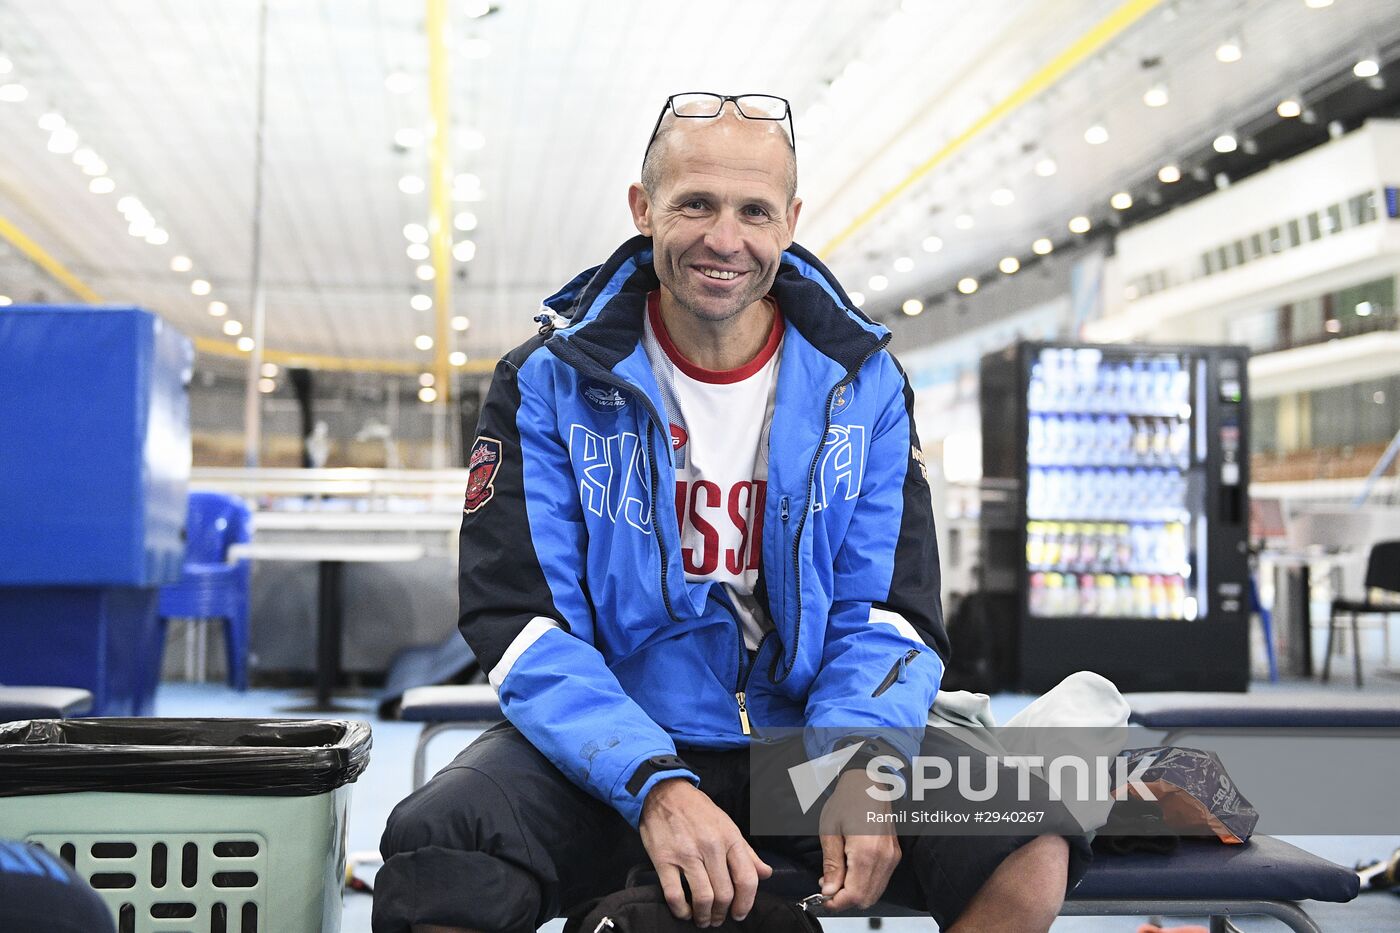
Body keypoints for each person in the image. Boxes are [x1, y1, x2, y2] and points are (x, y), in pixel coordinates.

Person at [375, 93, 1089, 933]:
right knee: (440, 847)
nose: (725, 239)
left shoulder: (863, 384)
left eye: (753, 210)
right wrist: (652, 781)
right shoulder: (547, 380)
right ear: (644, 210)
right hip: (620, 740)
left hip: (808, 741)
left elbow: (892, 611)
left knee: (1027, 827)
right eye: (695, 204)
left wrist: (856, 762)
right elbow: (523, 621)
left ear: (789, 221)